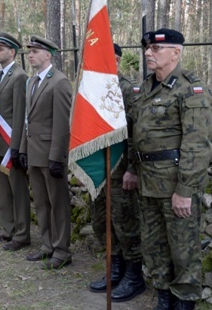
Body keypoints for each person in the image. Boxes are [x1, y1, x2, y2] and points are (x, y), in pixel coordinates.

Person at [130, 29, 212, 310]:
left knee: (183, 248)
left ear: (175, 53)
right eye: (148, 49)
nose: (147, 53)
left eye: (156, 49)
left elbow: (197, 144)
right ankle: (163, 297)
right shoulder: (146, 87)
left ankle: (185, 301)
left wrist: (185, 190)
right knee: (153, 246)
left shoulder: (190, 88)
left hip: (174, 183)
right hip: (147, 180)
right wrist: (132, 168)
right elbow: (138, 133)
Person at [89, 44, 144, 302]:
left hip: (120, 169)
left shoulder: (127, 89)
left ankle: (134, 277)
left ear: (117, 61)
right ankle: (115, 270)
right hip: (99, 169)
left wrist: (132, 169)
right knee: (102, 222)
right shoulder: (91, 89)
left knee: (125, 225)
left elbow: (135, 133)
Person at [19, 36, 72, 270]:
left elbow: (62, 124)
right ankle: (47, 245)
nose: (30, 55)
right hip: (33, 152)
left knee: (57, 203)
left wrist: (57, 157)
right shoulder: (31, 82)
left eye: (36, 51)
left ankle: (62, 250)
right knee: (41, 203)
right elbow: (27, 120)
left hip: (51, 154)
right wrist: (22, 149)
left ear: (48, 55)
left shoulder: (59, 82)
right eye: (29, 51)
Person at [0, 33, 31, 251]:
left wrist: (17, 146)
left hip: (11, 143)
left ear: (12, 52)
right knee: (3, 189)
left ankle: (22, 234)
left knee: (18, 190)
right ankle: (8, 229)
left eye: (1, 49)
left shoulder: (19, 76)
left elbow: (21, 114)